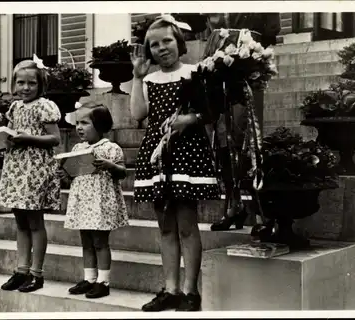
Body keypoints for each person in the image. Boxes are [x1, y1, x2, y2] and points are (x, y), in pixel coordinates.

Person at [130, 15, 220, 312]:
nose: (161, 48)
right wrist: (136, 77)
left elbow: (209, 113)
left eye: (167, 41)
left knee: (186, 226)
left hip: (186, 154)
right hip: (157, 157)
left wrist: (187, 119)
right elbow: (136, 114)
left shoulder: (195, 73)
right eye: (154, 45)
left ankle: (190, 291)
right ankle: (170, 289)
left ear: (180, 43)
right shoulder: (150, 80)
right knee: (165, 227)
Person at [201, 13, 281, 231]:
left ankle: (260, 213)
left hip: (247, 63)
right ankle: (233, 207)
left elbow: (271, 29)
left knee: (246, 140)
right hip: (217, 57)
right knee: (223, 142)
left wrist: (252, 55)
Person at [0, 58, 62, 292]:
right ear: (14, 84)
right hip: (16, 168)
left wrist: (28, 138)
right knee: (20, 221)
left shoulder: (45, 106)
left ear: (40, 85)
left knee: (34, 222)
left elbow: (55, 139)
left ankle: (37, 273)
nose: (25, 88)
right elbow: (12, 134)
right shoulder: (15, 107)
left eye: (31, 83)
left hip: (35, 169)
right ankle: (21, 270)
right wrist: (2, 125)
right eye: (20, 83)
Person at [58, 102, 129, 299]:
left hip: (100, 203)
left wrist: (110, 166)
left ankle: (103, 281)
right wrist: (64, 174)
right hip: (83, 202)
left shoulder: (110, 148)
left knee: (100, 242)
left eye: (85, 123)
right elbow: (74, 176)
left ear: (100, 124)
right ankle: (89, 278)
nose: (79, 127)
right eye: (77, 123)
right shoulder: (77, 148)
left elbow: (123, 172)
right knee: (86, 242)